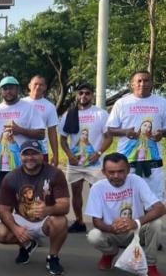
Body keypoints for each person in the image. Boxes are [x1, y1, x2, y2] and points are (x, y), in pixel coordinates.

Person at [0, 139, 70, 275]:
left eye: (34, 153)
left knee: (61, 221)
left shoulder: (55, 174)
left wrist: (48, 209)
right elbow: (3, 210)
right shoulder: (11, 177)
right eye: (26, 154)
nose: (30, 157)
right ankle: (27, 245)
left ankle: (53, 257)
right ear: (20, 156)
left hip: (45, 219)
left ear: (42, 155)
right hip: (21, 219)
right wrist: (15, 228)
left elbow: (65, 206)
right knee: (0, 232)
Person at [85, 152, 165, 276]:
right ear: (104, 172)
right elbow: (96, 221)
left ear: (128, 170)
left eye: (121, 171)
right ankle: (110, 253)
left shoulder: (136, 181)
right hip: (112, 232)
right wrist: (111, 228)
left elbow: (160, 208)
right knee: (93, 235)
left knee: (157, 224)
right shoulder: (97, 188)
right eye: (111, 172)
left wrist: (136, 222)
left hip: (136, 231)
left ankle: (150, 265)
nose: (116, 176)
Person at [0, 76, 45, 204]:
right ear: (1, 91)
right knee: (1, 202)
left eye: (11, 88)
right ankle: (3, 223)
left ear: (18, 90)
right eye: (5, 89)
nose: (8, 91)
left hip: (23, 165)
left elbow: (41, 134)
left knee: (24, 200)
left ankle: (23, 223)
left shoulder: (28, 108)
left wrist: (20, 130)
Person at [107, 69, 166, 200]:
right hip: (127, 162)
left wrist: (161, 133)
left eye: (146, 80)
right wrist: (125, 132)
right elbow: (110, 129)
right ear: (132, 84)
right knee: (127, 201)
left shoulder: (162, 103)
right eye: (139, 81)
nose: (142, 83)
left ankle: (147, 220)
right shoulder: (122, 103)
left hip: (154, 162)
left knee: (154, 202)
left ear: (152, 84)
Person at [59, 82, 110, 234]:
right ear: (76, 95)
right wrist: (69, 156)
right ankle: (79, 222)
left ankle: (100, 224)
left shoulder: (101, 114)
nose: (84, 96)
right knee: (76, 192)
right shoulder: (69, 114)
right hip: (75, 162)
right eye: (80, 93)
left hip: (95, 162)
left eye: (87, 93)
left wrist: (98, 153)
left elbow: (108, 138)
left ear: (92, 95)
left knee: (98, 193)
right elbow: (63, 139)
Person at [23, 75, 60, 166]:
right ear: (29, 85)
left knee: (40, 179)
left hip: (41, 150)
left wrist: (55, 155)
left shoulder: (49, 106)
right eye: (35, 84)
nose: (38, 87)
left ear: (45, 87)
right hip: (22, 150)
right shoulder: (21, 103)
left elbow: (52, 132)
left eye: (41, 85)